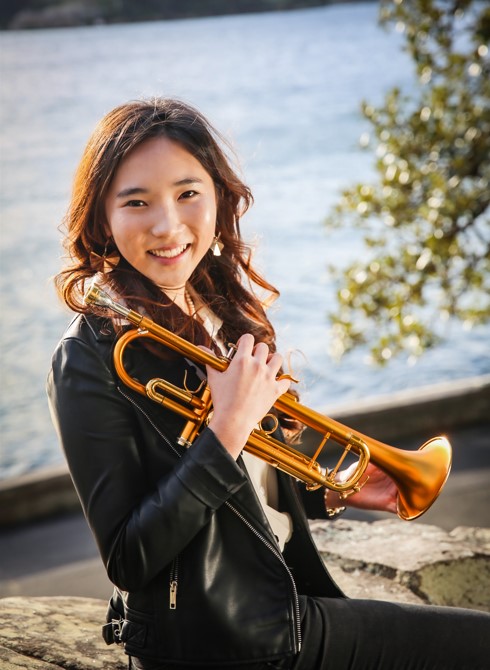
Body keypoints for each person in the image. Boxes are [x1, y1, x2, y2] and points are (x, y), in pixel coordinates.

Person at [47, 98, 490, 670]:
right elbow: (130, 558)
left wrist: (330, 490)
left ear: (219, 195)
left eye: (188, 193)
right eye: (137, 202)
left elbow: (249, 484)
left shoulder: (213, 302)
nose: (166, 224)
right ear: (103, 217)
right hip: (217, 641)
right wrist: (226, 426)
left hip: (273, 601)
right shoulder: (87, 358)